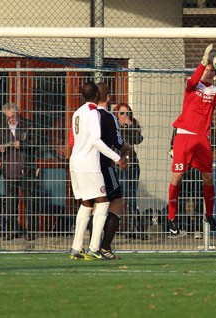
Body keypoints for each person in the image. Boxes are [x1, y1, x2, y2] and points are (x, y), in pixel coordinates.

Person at [168, 44, 216, 237]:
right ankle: (172, 219)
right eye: (207, 70)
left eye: (213, 71)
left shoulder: (214, 91)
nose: (209, 73)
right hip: (184, 136)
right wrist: (203, 61)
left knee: (208, 177)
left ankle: (209, 215)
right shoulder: (192, 85)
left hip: (202, 139)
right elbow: (193, 79)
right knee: (177, 177)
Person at [68, 81, 127, 260]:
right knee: (102, 202)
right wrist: (118, 158)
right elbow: (95, 140)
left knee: (87, 203)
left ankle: (76, 248)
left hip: (75, 162)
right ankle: (94, 249)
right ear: (96, 96)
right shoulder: (93, 113)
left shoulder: (77, 113)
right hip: (89, 164)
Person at [96, 83, 131, 260]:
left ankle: (87, 247)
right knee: (116, 202)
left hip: (83, 166)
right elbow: (118, 143)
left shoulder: (81, 114)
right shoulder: (108, 117)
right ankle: (104, 247)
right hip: (103, 165)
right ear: (108, 97)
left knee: (90, 205)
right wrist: (125, 151)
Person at [0, 103, 39, 241]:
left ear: (18, 113)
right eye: (8, 117)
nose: (11, 119)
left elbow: (37, 143)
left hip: (26, 169)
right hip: (9, 170)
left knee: (30, 201)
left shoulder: (28, 125)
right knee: (11, 203)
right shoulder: (2, 129)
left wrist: (23, 145)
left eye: (13, 116)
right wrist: (1, 149)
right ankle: (11, 231)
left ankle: (31, 231)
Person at [114, 102, 144, 239]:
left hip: (131, 165)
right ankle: (114, 227)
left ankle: (136, 229)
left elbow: (138, 140)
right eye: (122, 113)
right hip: (117, 165)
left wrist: (130, 125)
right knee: (117, 197)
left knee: (130, 196)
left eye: (127, 113)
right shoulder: (113, 127)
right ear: (116, 114)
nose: (124, 116)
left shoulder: (133, 126)